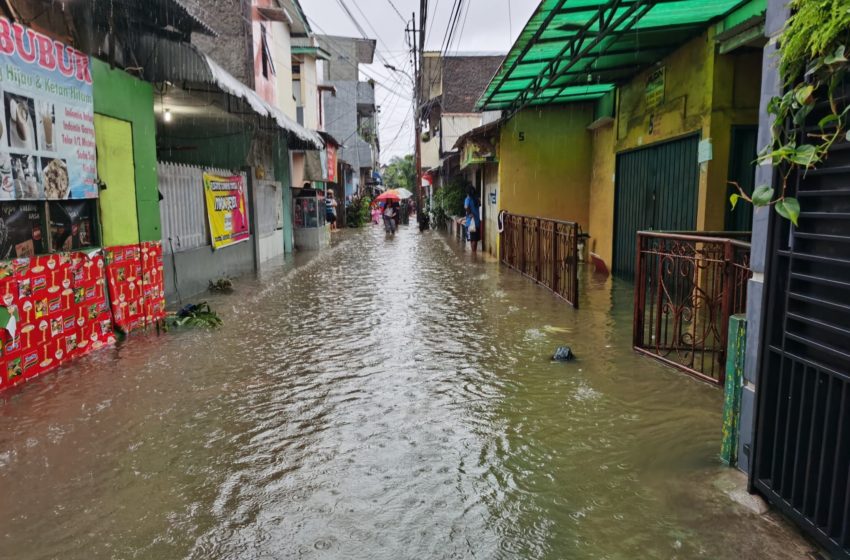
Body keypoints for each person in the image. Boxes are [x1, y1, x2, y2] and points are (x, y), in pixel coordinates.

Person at [464, 186, 481, 253]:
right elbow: (479, 205)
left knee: (472, 239)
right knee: (475, 239)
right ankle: (474, 253)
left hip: (470, 222)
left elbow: (466, 207)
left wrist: (470, 213)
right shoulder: (476, 199)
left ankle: (473, 254)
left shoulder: (468, 199)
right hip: (476, 222)